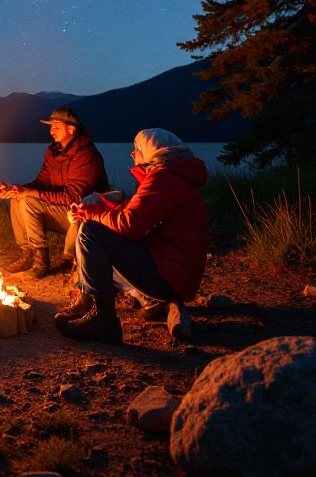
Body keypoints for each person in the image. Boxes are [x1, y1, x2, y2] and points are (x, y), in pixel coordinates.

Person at [55, 127, 210, 344]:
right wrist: (107, 205)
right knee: (101, 230)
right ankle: (91, 299)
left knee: (91, 231)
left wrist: (89, 212)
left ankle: (103, 320)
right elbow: (137, 217)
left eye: (136, 149)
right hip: (172, 271)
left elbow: (129, 225)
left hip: (168, 277)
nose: (132, 154)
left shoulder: (164, 179)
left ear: (153, 151)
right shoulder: (170, 176)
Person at [0, 106, 110, 278]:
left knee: (28, 200)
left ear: (71, 129)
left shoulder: (86, 156)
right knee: (18, 199)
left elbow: (73, 197)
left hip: (83, 218)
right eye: (50, 126)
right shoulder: (53, 152)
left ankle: (42, 261)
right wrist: (15, 189)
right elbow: (42, 182)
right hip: (63, 211)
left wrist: (29, 193)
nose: (51, 130)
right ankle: (29, 253)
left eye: (56, 126)